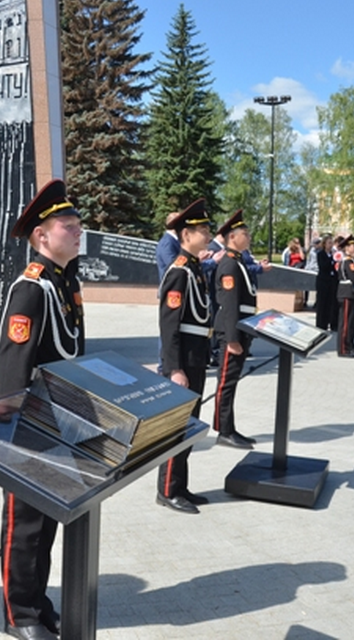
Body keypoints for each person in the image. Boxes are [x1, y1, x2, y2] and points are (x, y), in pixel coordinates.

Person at [0, 179, 83, 640]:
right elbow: (13, 367)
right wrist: (13, 430)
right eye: (67, 225)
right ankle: (19, 614)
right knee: (25, 524)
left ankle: (38, 599)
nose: (77, 231)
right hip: (31, 423)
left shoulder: (64, 284)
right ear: (41, 236)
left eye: (77, 224)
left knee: (47, 521)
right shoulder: (31, 290)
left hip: (61, 420)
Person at [155, 199, 213, 514]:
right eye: (201, 230)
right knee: (177, 424)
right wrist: (174, 367)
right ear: (185, 235)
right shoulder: (179, 272)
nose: (207, 234)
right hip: (183, 360)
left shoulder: (194, 269)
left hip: (197, 354)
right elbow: (169, 325)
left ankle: (181, 484)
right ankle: (167, 490)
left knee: (189, 423)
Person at [213, 209, 258, 450]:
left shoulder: (237, 261)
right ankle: (224, 430)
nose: (248, 237)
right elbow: (229, 304)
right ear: (232, 237)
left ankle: (229, 427)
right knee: (226, 382)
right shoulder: (229, 265)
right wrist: (232, 338)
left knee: (232, 380)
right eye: (244, 233)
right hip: (232, 332)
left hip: (242, 329)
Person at [337, 235, 354, 356]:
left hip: (350, 293)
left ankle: (348, 344)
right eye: (353, 246)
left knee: (351, 320)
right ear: (347, 248)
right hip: (347, 292)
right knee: (345, 323)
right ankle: (343, 349)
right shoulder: (347, 261)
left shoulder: (351, 261)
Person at [315, 235, 338, 331]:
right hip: (323, 281)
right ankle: (321, 324)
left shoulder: (333, 254)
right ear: (324, 244)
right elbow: (323, 266)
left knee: (332, 303)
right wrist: (332, 260)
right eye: (329, 243)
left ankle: (332, 323)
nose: (331, 245)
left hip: (332, 281)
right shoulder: (321, 254)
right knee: (322, 303)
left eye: (331, 243)